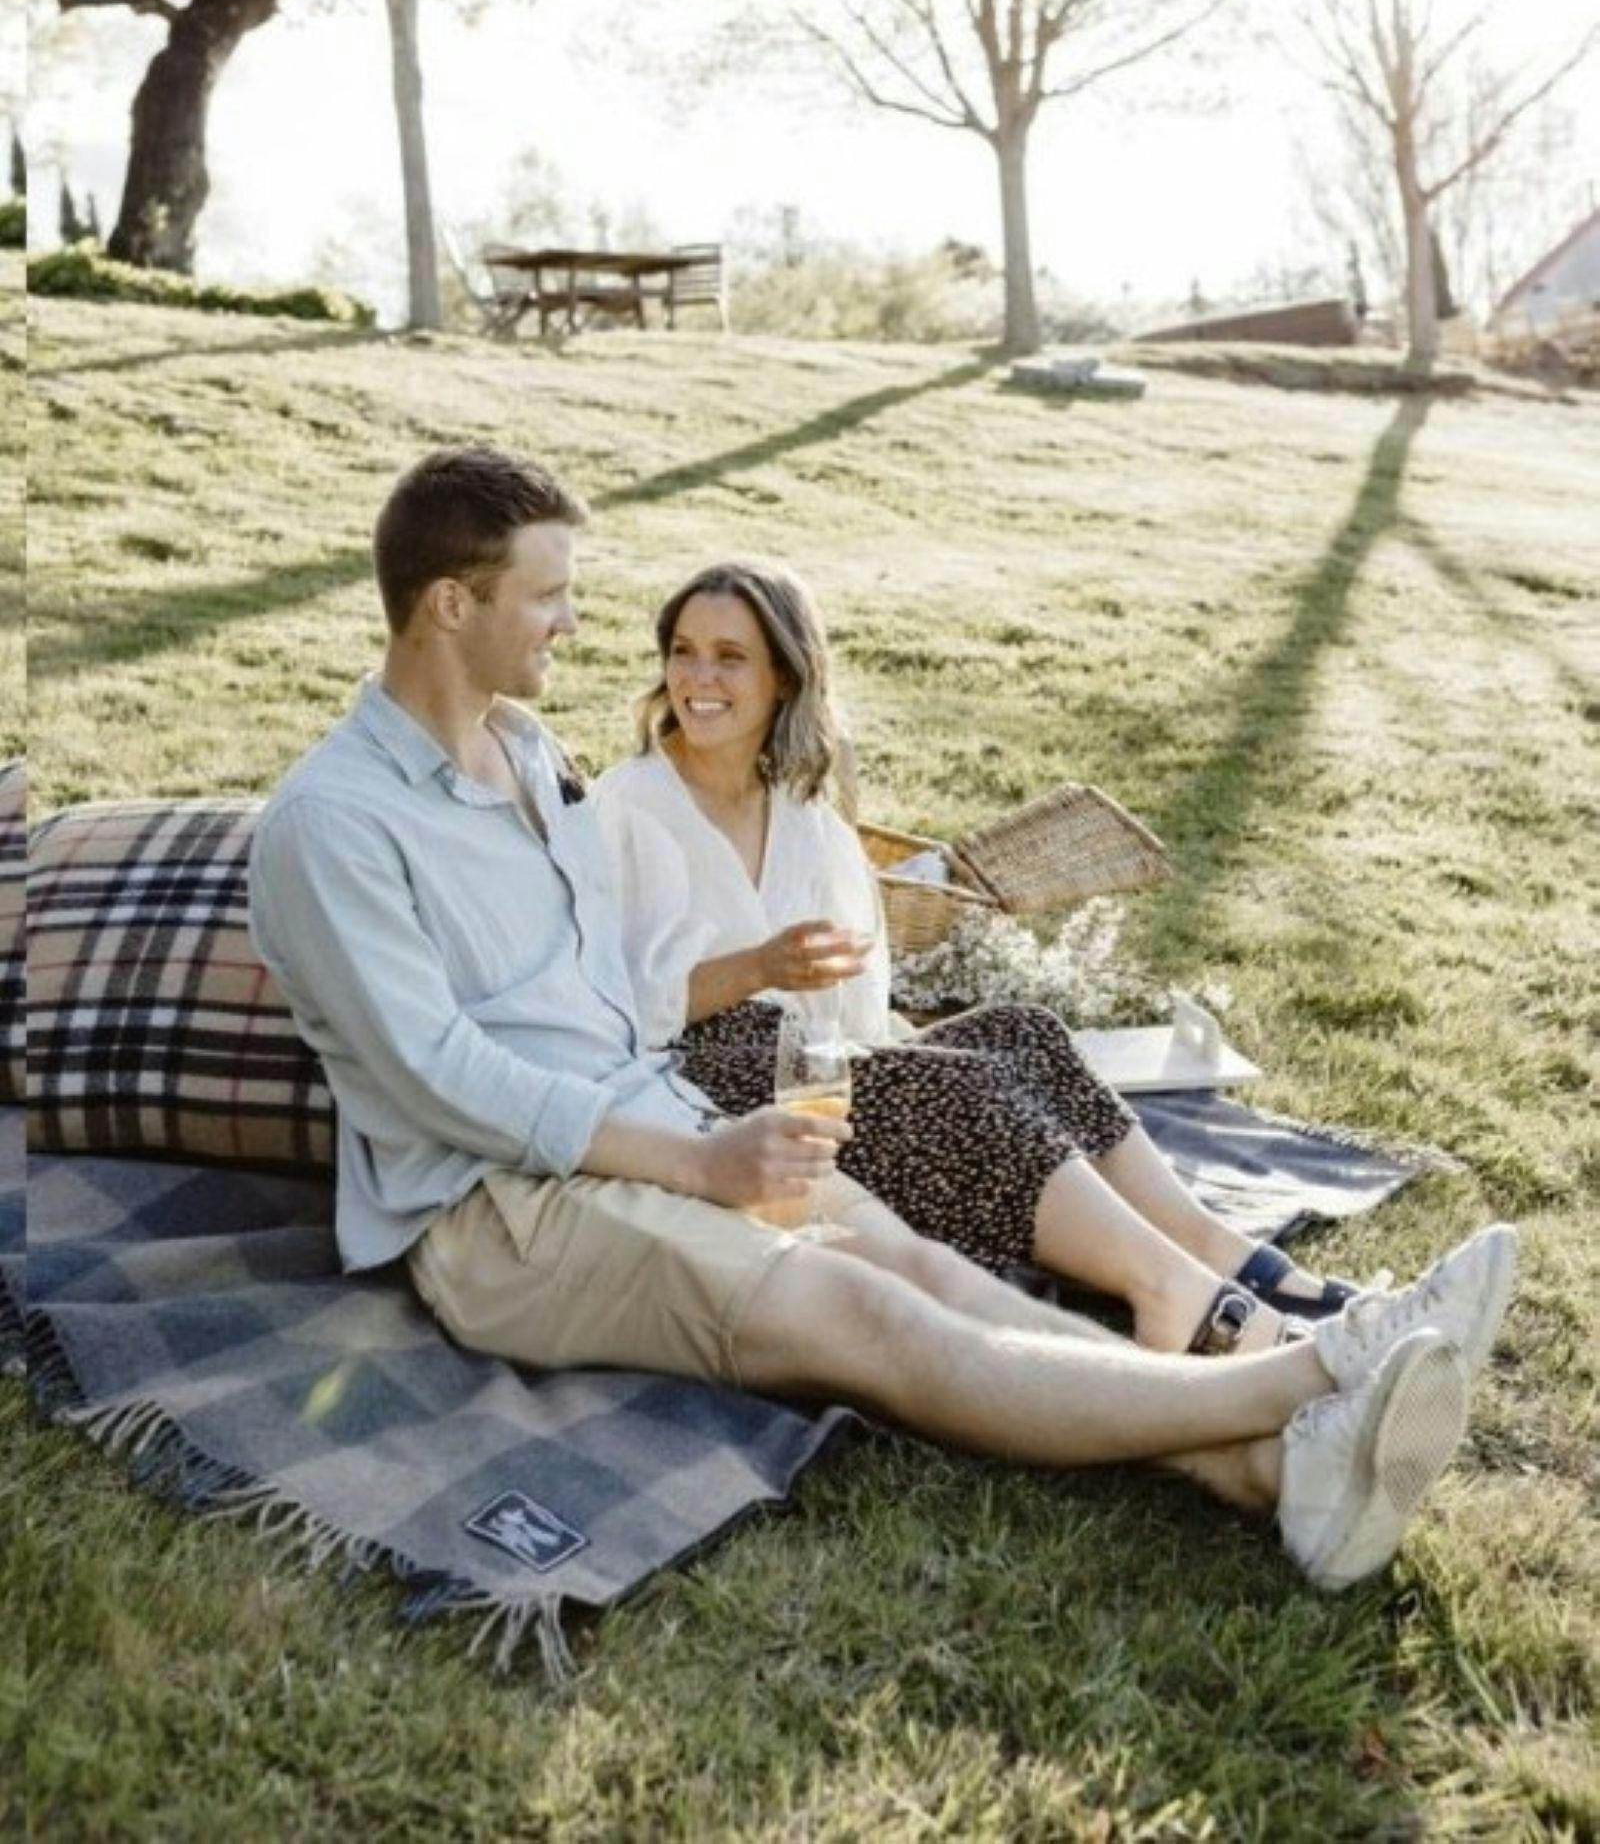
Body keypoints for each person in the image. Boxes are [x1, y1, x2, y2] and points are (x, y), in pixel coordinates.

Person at [248, 445, 1517, 1595]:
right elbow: (437, 1074)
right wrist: (697, 1158)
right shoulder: (332, 823)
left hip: (660, 1115)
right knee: (865, 1319)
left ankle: (1274, 1475)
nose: (574, 625)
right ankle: (1320, 1368)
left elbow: (599, 987)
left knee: (919, 1265)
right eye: (547, 595)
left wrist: (698, 1120)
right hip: (504, 1208)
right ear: (452, 603)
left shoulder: (526, 757)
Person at [592, 560, 1361, 1355]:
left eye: (730, 656)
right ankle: (1169, 1291)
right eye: (684, 651)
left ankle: (1219, 1248)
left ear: (785, 675)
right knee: (967, 1081)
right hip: (694, 1080)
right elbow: (604, 1005)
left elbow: (854, 991)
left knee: (1022, 1032)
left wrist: (885, 1053)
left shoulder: (803, 812)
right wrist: (757, 968)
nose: (698, 677)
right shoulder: (627, 807)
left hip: (809, 1058)